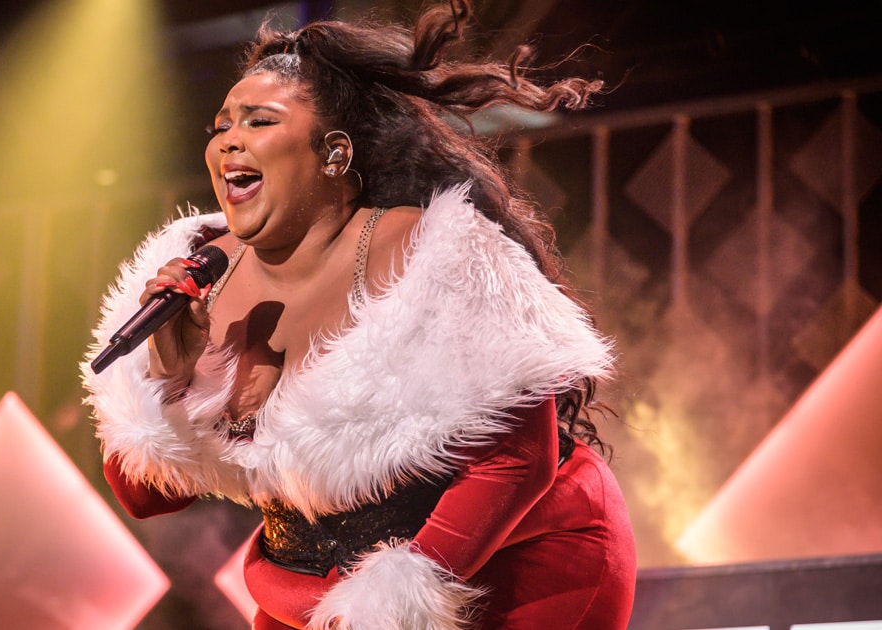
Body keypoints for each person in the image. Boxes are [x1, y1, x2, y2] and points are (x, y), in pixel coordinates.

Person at [81, 1, 636, 627]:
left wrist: (391, 602)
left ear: (335, 154)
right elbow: (146, 497)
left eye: (259, 121)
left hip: (515, 567)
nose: (229, 140)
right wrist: (169, 380)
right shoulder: (194, 273)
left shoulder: (428, 250)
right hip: (309, 589)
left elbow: (517, 458)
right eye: (221, 125)